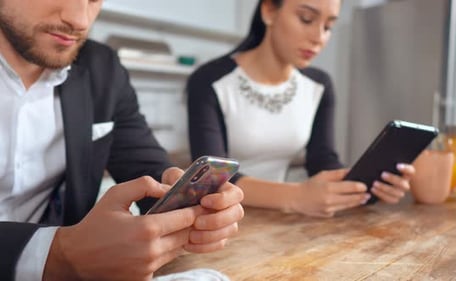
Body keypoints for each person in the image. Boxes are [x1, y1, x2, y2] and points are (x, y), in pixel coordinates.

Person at [0, 1, 244, 280]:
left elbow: (146, 165)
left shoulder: (102, 67)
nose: (79, 20)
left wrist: (191, 203)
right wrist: (57, 251)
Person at [187, 0, 415, 218]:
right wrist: (297, 196)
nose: (319, 38)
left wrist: (366, 184)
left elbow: (322, 161)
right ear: (268, 11)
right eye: (307, 19)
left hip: (283, 221)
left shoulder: (319, 85)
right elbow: (210, 178)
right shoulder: (209, 81)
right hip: (222, 220)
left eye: (328, 26)